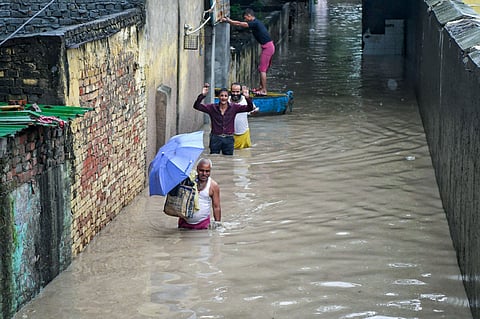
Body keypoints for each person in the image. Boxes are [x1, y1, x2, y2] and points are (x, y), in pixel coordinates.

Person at [222, 8, 275, 96]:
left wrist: (227, 20)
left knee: (262, 70)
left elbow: (239, 24)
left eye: (245, 18)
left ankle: (264, 90)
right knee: (261, 69)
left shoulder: (255, 23)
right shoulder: (256, 23)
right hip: (268, 47)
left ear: (249, 16)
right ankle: (261, 87)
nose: (245, 20)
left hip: (268, 48)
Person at [193, 83, 254, 155]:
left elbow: (249, 108)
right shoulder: (212, 108)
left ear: (228, 97)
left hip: (229, 139)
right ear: (218, 97)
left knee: (229, 160)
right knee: (214, 158)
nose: (223, 98)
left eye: (225, 96)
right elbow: (196, 106)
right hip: (215, 138)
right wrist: (202, 95)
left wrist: (247, 97)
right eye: (221, 96)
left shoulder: (234, 107)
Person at [178, 158, 221, 230]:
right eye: (201, 170)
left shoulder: (213, 186)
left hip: (203, 224)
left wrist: (218, 225)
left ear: (210, 171)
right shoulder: (189, 181)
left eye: (207, 171)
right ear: (197, 169)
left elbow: (216, 207)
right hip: (184, 223)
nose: (204, 174)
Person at [229, 82, 259, 149]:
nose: (235, 94)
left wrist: (254, 112)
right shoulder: (226, 101)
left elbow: (253, 110)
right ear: (230, 91)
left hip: (244, 132)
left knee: (245, 153)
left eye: (237, 91)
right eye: (233, 92)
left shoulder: (245, 100)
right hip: (230, 134)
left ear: (241, 91)